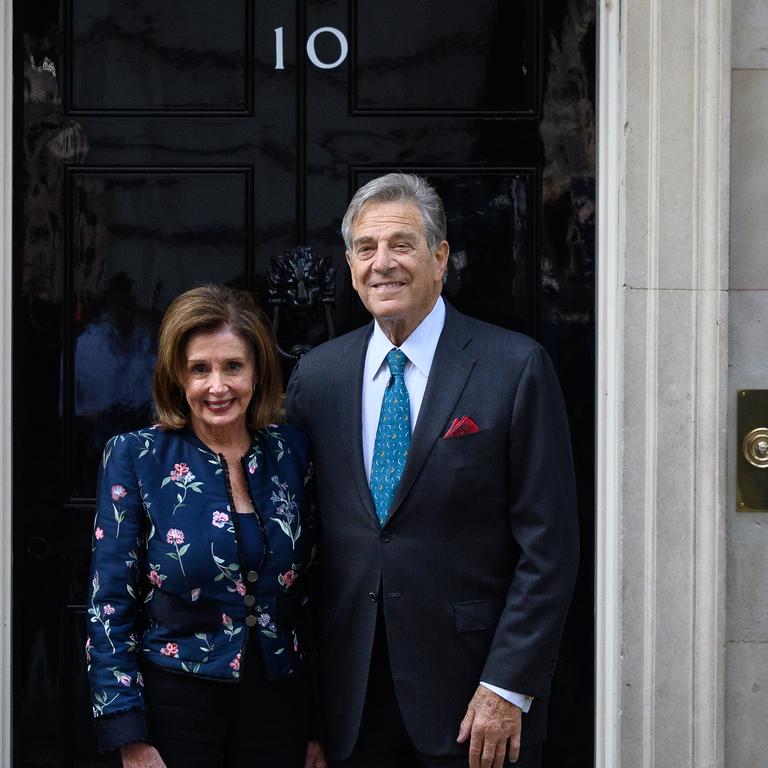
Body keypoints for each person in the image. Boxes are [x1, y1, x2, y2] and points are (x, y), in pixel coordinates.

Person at [286, 174, 579, 768]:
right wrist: (307, 706)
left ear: (440, 257)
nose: (382, 263)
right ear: (349, 264)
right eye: (366, 249)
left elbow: (549, 548)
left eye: (402, 244)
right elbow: (304, 544)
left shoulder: (514, 367)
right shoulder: (317, 377)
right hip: (351, 703)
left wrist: (506, 686)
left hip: (475, 706)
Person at [86, 285, 326, 768]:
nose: (218, 386)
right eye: (200, 369)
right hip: (176, 703)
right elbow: (110, 601)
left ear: (256, 372)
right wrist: (128, 733)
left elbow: (315, 596)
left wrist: (317, 724)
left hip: (279, 702)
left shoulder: (292, 453)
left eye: (233, 366)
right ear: (178, 376)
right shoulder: (137, 457)